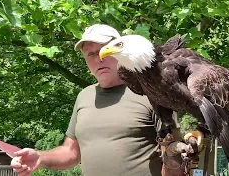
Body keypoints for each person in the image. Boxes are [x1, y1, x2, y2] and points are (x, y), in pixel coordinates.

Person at [10, 24, 191, 176]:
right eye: (90, 54)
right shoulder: (84, 97)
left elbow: (173, 155)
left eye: (105, 50)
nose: (99, 59)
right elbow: (71, 152)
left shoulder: (151, 92)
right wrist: (40, 157)